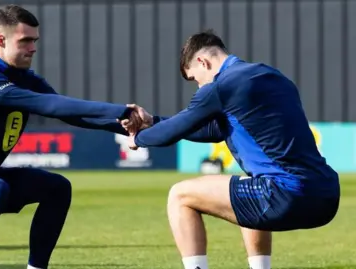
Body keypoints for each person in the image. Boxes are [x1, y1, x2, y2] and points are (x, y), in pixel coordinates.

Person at [0, 5, 141, 269]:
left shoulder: (26, 78)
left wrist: (136, 127)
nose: (33, 48)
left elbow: (71, 115)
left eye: (35, 40)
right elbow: (51, 106)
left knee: (57, 188)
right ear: (0, 40)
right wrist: (121, 110)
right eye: (25, 41)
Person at [121, 30, 340, 269]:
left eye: (195, 79)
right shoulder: (273, 76)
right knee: (249, 186)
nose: (198, 87)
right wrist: (153, 121)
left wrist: (139, 137)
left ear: (202, 62)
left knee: (180, 195)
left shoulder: (221, 86)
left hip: (287, 196)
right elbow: (215, 131)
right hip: (326, 195)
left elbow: (173, 132)